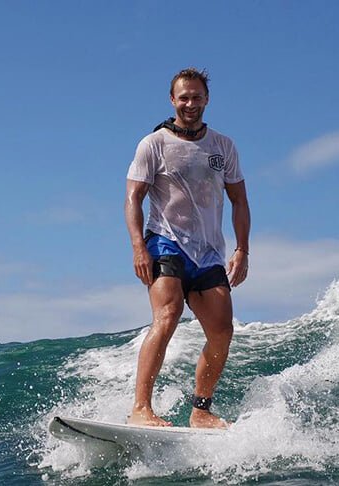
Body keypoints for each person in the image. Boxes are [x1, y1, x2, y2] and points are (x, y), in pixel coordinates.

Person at [124, 67, 250, 428]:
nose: (190, 104)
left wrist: (242, 249)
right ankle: (141, 409)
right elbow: (133, 198)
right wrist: (138, 246)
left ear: (207, 99)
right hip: (165, 241)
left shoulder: (223, 146)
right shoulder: (154, 144)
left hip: (208, 252)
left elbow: (239, 200)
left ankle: (201, 410)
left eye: (197, 97)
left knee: (222, 331)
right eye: (184, 97)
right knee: (168, 314)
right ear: (172, 100)